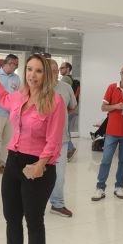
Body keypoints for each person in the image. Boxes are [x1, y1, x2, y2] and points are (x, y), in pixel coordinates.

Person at [0, 54, 65, 244]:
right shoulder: (20, 96)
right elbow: (2, 97)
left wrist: (39, 166)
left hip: (38, 166)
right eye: (29, 69)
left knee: (34, 222)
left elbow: (54, 140)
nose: (32, 75)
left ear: (46, 74)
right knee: (11, 218)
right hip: (13, 162)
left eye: (38, 70)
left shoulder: (55, 101)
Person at [92, 65, 123, 201]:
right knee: (106, 160)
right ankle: (100, 188)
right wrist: (116, 106)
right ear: (120, 74)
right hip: (112, 132)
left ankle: (119, 187)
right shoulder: (112, 87)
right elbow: (103, 107)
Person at [49, 59, 78, 217]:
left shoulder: (66, 87)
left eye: (55, 70)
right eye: (49, 70)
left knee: (59, 176)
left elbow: (73, 107)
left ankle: (57, 204)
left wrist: (61, 116)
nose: (53, 73)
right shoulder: (36, 87)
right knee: (34, 174)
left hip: (61, 140)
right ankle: (31, 204)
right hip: (38, 141)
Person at [60, 62, 78, 161]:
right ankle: (70, 149)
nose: (60, 70)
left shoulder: (65, 79)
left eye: (62, 68)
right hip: (71, 108)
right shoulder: (71, 78)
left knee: (64, 130)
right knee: (66, 129)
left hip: (67, 109)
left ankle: (70, 149)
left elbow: (63, 95)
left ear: (68, 69)